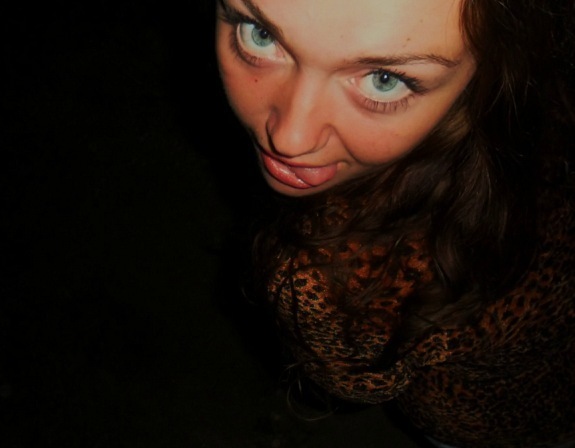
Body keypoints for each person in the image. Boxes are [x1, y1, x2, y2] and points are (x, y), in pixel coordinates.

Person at [214, 0, 575, 447]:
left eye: (384, 80)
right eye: (260, 34)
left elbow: (361, 385)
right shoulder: (544, 88)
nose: (290, 138)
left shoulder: (327, 280)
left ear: (490, 61)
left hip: (489, 423)